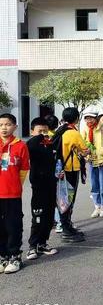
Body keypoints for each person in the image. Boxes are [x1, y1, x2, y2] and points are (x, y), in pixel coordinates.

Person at [52, 107, 89, 243]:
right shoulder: (73, 133)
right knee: (68, 199)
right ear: (76, 118)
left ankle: (66, 225)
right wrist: (86, 151)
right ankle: (66, 229)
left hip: (59, 170)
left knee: (62, 198)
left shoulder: (60, 130)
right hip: (70, 170)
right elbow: (85, 151)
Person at [0, 113, 29, 274]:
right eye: (1, 124)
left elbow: (24, 170)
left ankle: (14, 257)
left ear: (15, 127)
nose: (4, 128)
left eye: (8, 124)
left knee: (13, 226)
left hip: (12, 195)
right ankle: (3, 257)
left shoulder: (20, 146)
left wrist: (14, 186)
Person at [26, 118, 58, 261]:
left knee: (49, 216)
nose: (44, 134)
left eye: (45, 131)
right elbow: (30, 145)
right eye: (40, 131)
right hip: (38, 186)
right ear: (32, 132)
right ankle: (32, 246)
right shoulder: (31, 145)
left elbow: (57, 161)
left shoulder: (50, 144)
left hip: (51, 184)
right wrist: (39, 137)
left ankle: (42, 243)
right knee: (38, 217)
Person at [81, 108, 103, 218]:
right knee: (94, 185)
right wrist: (85, 155)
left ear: (96, 117)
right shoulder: (85, 129)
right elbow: (82, 144)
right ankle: (96, 206)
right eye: (86, 118)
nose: (88, 120)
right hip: (92, 161)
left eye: (90, 117)